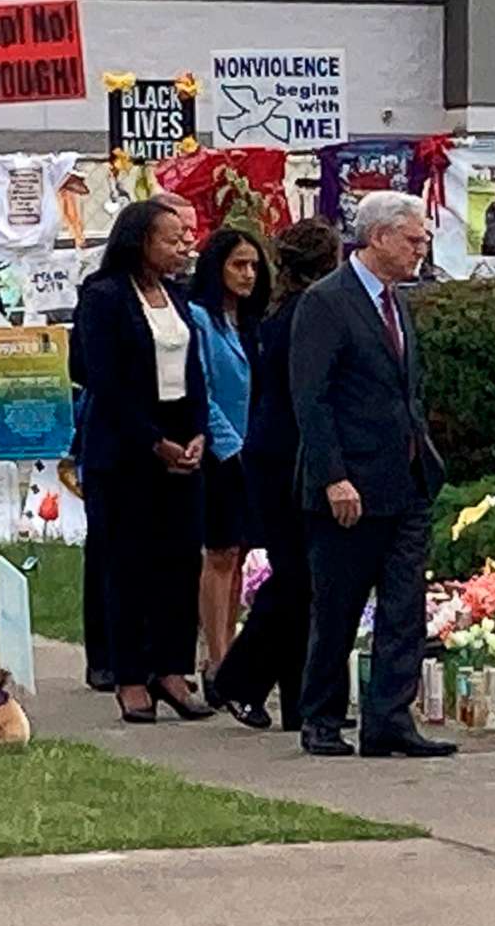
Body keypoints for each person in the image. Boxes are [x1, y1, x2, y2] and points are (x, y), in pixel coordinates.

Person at [291, 191, 455, 760]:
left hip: (405, 479)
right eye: (413, 239)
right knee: (338, 605)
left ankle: (389, 718)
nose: (420, 250)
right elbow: (312, 399)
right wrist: (333, 475)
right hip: (351, 483)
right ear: (379, 237)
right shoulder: (327, 302)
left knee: (405, 604)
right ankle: (322, 717)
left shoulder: (396, 301)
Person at [69, 200, 213, 725]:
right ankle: (130, 676)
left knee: (180, 562)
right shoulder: (103, 297)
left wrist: (196, 431)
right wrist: (154, 442)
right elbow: (105, 381)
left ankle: (171, 670)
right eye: (171, 239)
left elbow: (193, 370)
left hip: (182, 439)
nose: (182, 247)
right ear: (140, 241)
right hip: (127, 448)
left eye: (183, 238)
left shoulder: (177, 296)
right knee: (129, 565)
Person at [208, 219, 340, 733]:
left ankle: (298, 697)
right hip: (285, 457)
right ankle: (238, 677)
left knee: (302, 581)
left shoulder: (284, 310)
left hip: (275, 452)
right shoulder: (309, 311)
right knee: (297, 578)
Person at [188, 228, 268, 676]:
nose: (248, 274)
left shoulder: (252, 322)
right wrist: (229, 445)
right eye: (238, 265)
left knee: (239, 553)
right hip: (221, 452)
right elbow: (204, 387)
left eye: (254, 265)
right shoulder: (199, 318)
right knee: (218, 553)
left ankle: (230, 648)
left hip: (252, 450)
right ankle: (215, 658)